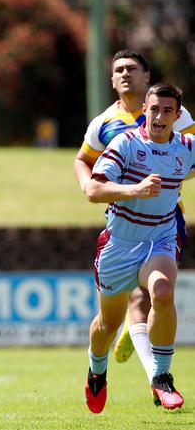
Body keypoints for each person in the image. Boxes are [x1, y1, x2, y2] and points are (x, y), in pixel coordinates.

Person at [73, 49, 195, 393]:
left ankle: (162, 377)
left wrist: (168, 179)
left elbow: (183, 158)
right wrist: (134, 189)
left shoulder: (184, 137)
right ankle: (97, 369)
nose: (160, 116)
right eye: (119, 70)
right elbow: (90, 179)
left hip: (163, 230)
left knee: (161, 291)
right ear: (145, 111)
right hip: (120, 237)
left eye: (167, 112)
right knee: (106, 324)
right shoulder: (113, 132)